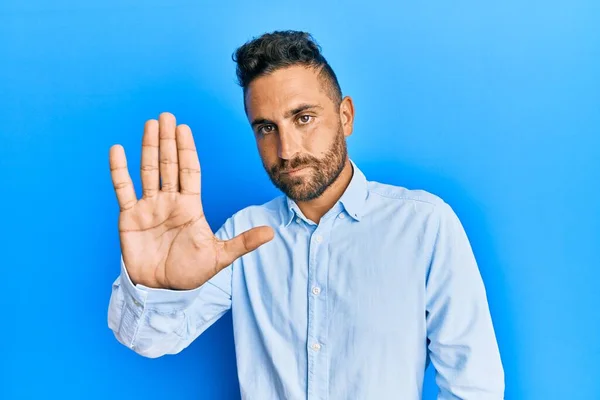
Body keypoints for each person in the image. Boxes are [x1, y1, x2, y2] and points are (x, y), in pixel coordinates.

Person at [107, 30, 504, 399]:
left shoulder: (424, 225)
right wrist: (153, 285)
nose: (286, 149)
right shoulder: (242, 236)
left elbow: (475, 385)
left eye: (304, 118)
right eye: (266, 128)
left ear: (345, 116)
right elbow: (150, 340)